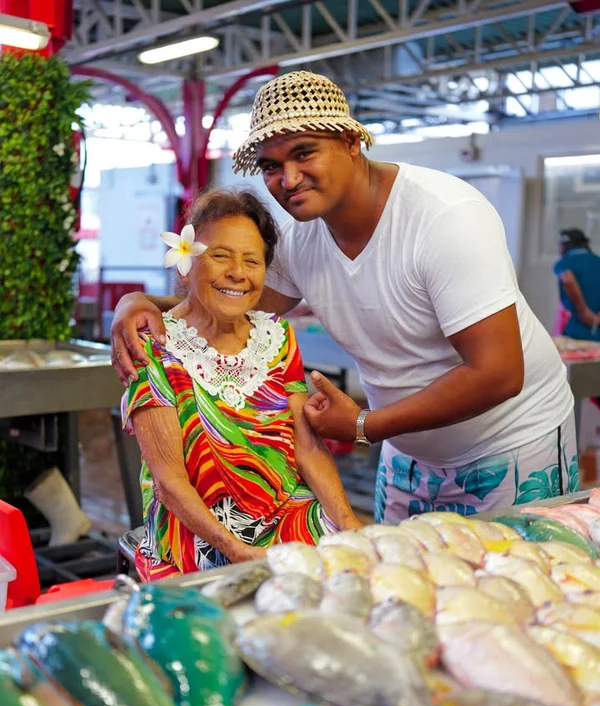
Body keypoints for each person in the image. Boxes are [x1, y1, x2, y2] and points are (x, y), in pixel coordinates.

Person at [112, 70, 578, 523]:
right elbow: (230, 301)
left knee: (508, 593)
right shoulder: (300, 240)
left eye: (304, 153)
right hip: (407, 455)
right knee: (401, 594)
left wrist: (362, 426)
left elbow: (497, 373)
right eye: (271, 167)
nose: (288, 179)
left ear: (352, 142)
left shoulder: (443, 218)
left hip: (513, 446)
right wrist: (139, 303)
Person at [121, 188, 361, 579]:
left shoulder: (278, 337)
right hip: (196, 530)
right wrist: (237, 550)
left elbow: (307, 447)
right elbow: (169, 482)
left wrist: (349, 523)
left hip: (286, 512)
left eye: (252, 261)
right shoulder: (154, 349)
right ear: (186, 262)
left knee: (346, 580)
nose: (238, 272)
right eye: (220, 256)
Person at [554, 228, 600, 342]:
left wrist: (583, 311)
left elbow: (567, 279)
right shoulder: (597, 261)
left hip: (577, 331)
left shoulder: (565, 262)